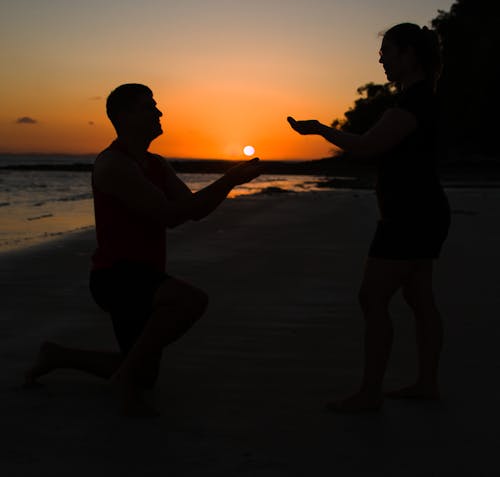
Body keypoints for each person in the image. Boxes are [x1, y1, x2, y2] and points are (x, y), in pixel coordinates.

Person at [26, 83, 261, 416]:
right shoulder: (113, 165)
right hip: (116, 277)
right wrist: (227, 180)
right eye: (149, 106)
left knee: (145, 375)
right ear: (124, 116)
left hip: (146, 276)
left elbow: (192, 210)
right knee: (190, 301)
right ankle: (123, 379)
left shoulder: (156, 163)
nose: (159, 112)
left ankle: (57, 356)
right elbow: (170, 216)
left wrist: (231, 181)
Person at [288, 23, 450, 413]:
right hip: (422, 212)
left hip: (410, 217)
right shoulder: (421, 99)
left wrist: (321, 130)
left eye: (388, 52)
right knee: (418, 295)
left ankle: (370, 393)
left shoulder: (412, 104)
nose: (381, 59)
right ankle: (425, 384)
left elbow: (365, 146)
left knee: (373, 296)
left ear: (409, 54)